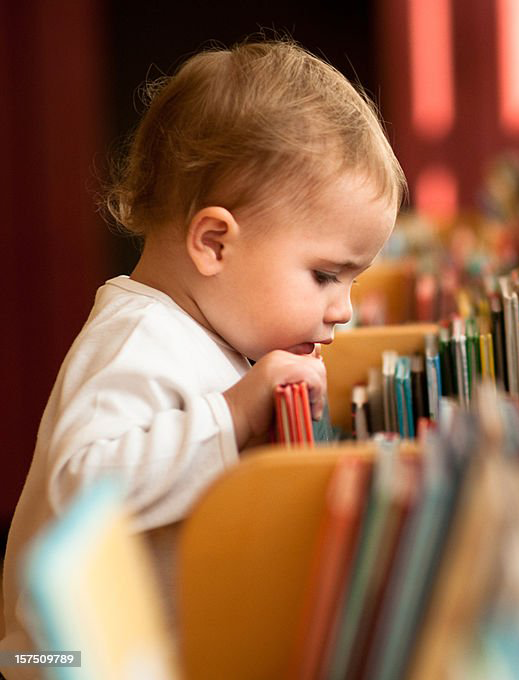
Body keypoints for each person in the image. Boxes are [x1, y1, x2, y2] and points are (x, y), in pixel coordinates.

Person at [0, 38, 406, 677]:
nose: (343, 309)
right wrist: (237, 413)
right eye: (327, 275)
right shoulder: (136, 341)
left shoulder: (216, 334)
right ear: (214, 243)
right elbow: (81, 487)